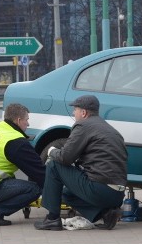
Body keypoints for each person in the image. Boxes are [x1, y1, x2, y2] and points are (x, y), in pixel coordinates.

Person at [34, 95, 128, 231]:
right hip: (117, 195)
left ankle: (52, 219)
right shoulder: (109, 129)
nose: (74, 113)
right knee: (66, 194)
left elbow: (65, 158)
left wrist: (51, 151)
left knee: (54, 165)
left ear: (83, 113)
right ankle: (106, 214)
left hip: (99, 189)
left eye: (75, 110)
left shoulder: (83, 125)